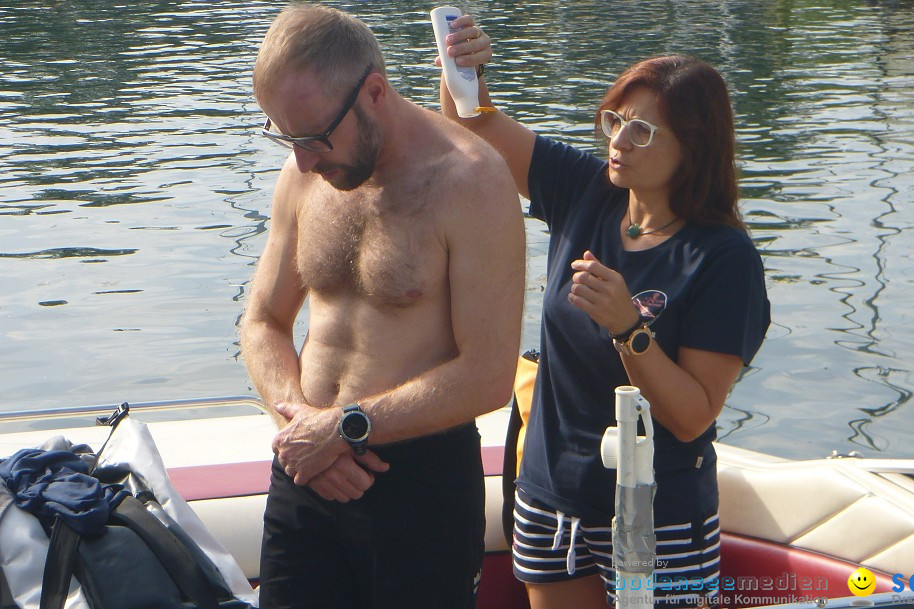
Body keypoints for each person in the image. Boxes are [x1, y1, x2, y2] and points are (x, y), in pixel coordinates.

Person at [438, 17, 770, 609]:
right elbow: (473, 126)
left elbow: (693, 416)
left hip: (657, 514)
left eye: (642, 131)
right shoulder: (587, 189)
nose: (618, 141)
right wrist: (461, 68)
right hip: (550, 501)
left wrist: (628, 329)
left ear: (693, 149)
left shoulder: (723, 258)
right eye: (615, 121)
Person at [240, 5, 524, 609]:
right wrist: (302, 432)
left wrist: (345, 428)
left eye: (314, 138)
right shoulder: (305, 174)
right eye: (285, 137)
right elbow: (263, 321)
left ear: (373, 92)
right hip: (307, 472)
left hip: (415, 486)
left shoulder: (471, 183)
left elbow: (489, 374)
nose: (303, 161)